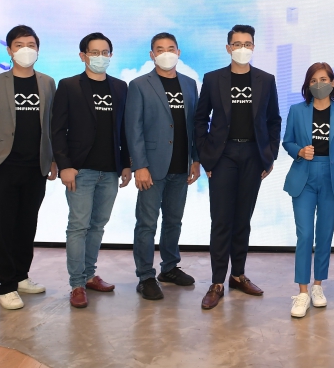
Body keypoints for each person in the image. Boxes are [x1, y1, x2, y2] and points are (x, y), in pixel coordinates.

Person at [0, 25, 57, 310]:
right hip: (2, 166)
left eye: (31, 44)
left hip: (36, 168)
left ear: (38, 49)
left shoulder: (47, 82)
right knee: (3, 228)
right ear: (9, 50)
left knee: (26, 226)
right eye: (19, 45)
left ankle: (21, 276)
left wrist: (53, 159)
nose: (25, 50)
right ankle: (6, 286)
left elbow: (52, 125)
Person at [195, 25, 282, 310]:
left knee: (243, 219)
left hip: (253, 155)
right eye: (237, 43)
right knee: (221, 220)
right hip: (223, 156)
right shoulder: (213, 79)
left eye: (247, 43)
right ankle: (217, 282)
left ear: (253, 47)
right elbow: (200, 119)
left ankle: (238, 275)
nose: (242, 48)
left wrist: (269, 156)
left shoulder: (266, 80)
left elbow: (274, 120)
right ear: (228, 48)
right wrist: (207, 157)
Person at [51, 33, 132, 309]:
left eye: (105, 52)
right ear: (82, 56)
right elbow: (57, 129)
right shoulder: (69, 86)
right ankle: (76, 284)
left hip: (110, 170)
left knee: (97, 226)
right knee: (78, 226)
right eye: (94, 52)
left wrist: (126, 163)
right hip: (80, 170)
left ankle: (88, 275)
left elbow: (124, 128)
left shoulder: (120, 87)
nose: (100, 57)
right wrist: (65, 165)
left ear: (111, 55)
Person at [125, 32, 200, 301]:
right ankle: (145, 275)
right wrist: (139, 166)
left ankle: (169, 268)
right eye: (160, 49)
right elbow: (133, 129)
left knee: (173, 221)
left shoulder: (190, 84)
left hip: (181, 165)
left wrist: (195, 159)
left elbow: (194, 125)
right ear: (152, 54)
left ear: (178, 52)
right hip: (152, 167)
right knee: (146, 223)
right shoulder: (139, 85)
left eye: (171, 48)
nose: (166, 53)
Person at [282, 63, 334, 318]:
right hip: (304, 177)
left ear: (333, 83)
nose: (319, 84)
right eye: (313, 80)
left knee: (324, 234)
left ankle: (318, 286)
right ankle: (302, 292)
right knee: (305, 235)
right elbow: (287, 141)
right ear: (307, 85)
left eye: (324, 79)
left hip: (332, 178)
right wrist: (299, 151)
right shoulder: (296, 110)